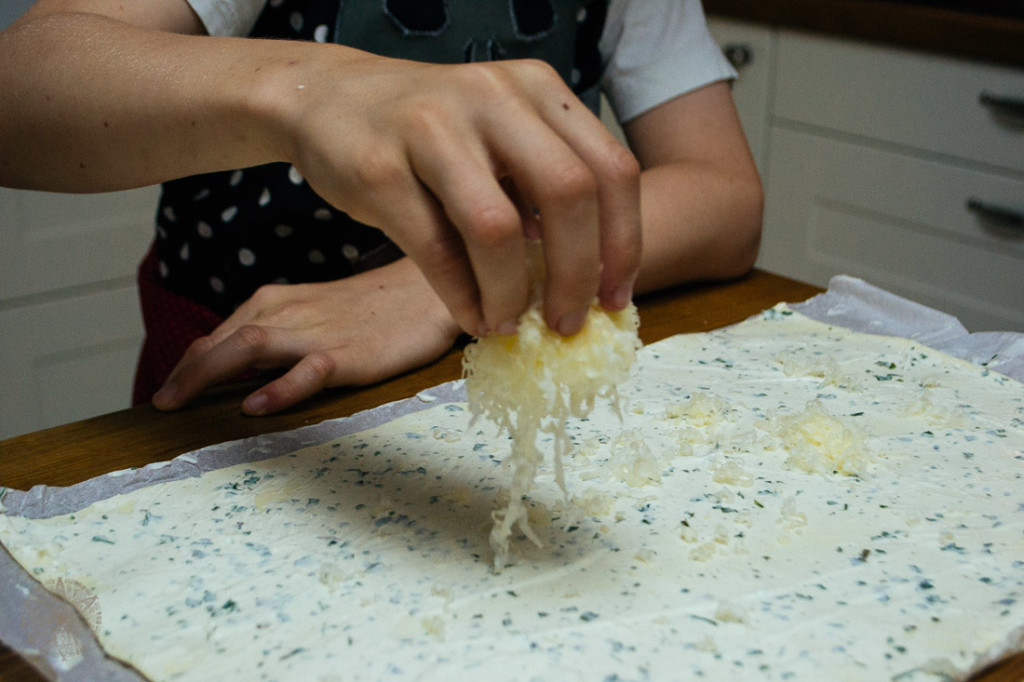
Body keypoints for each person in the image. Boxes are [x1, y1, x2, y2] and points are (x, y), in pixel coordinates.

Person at [0, 0, 762, 417]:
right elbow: (25, 82)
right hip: (246, 398)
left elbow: (725, 194)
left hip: (474, 398)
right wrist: (309, 91)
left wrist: (428, 290)